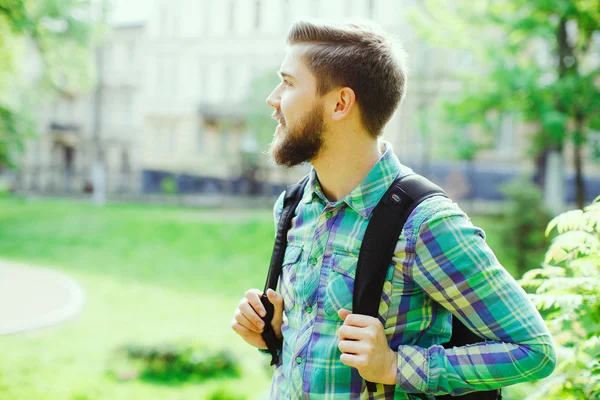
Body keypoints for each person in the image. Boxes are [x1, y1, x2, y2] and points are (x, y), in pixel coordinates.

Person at [231, 20, 557, 399]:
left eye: (288, 83)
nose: (273, 98)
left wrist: (395, 366)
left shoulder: (425, 224)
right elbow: (313, 349)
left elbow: (535, 350)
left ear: (340, 104)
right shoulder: (292, 207)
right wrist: (270, 334)